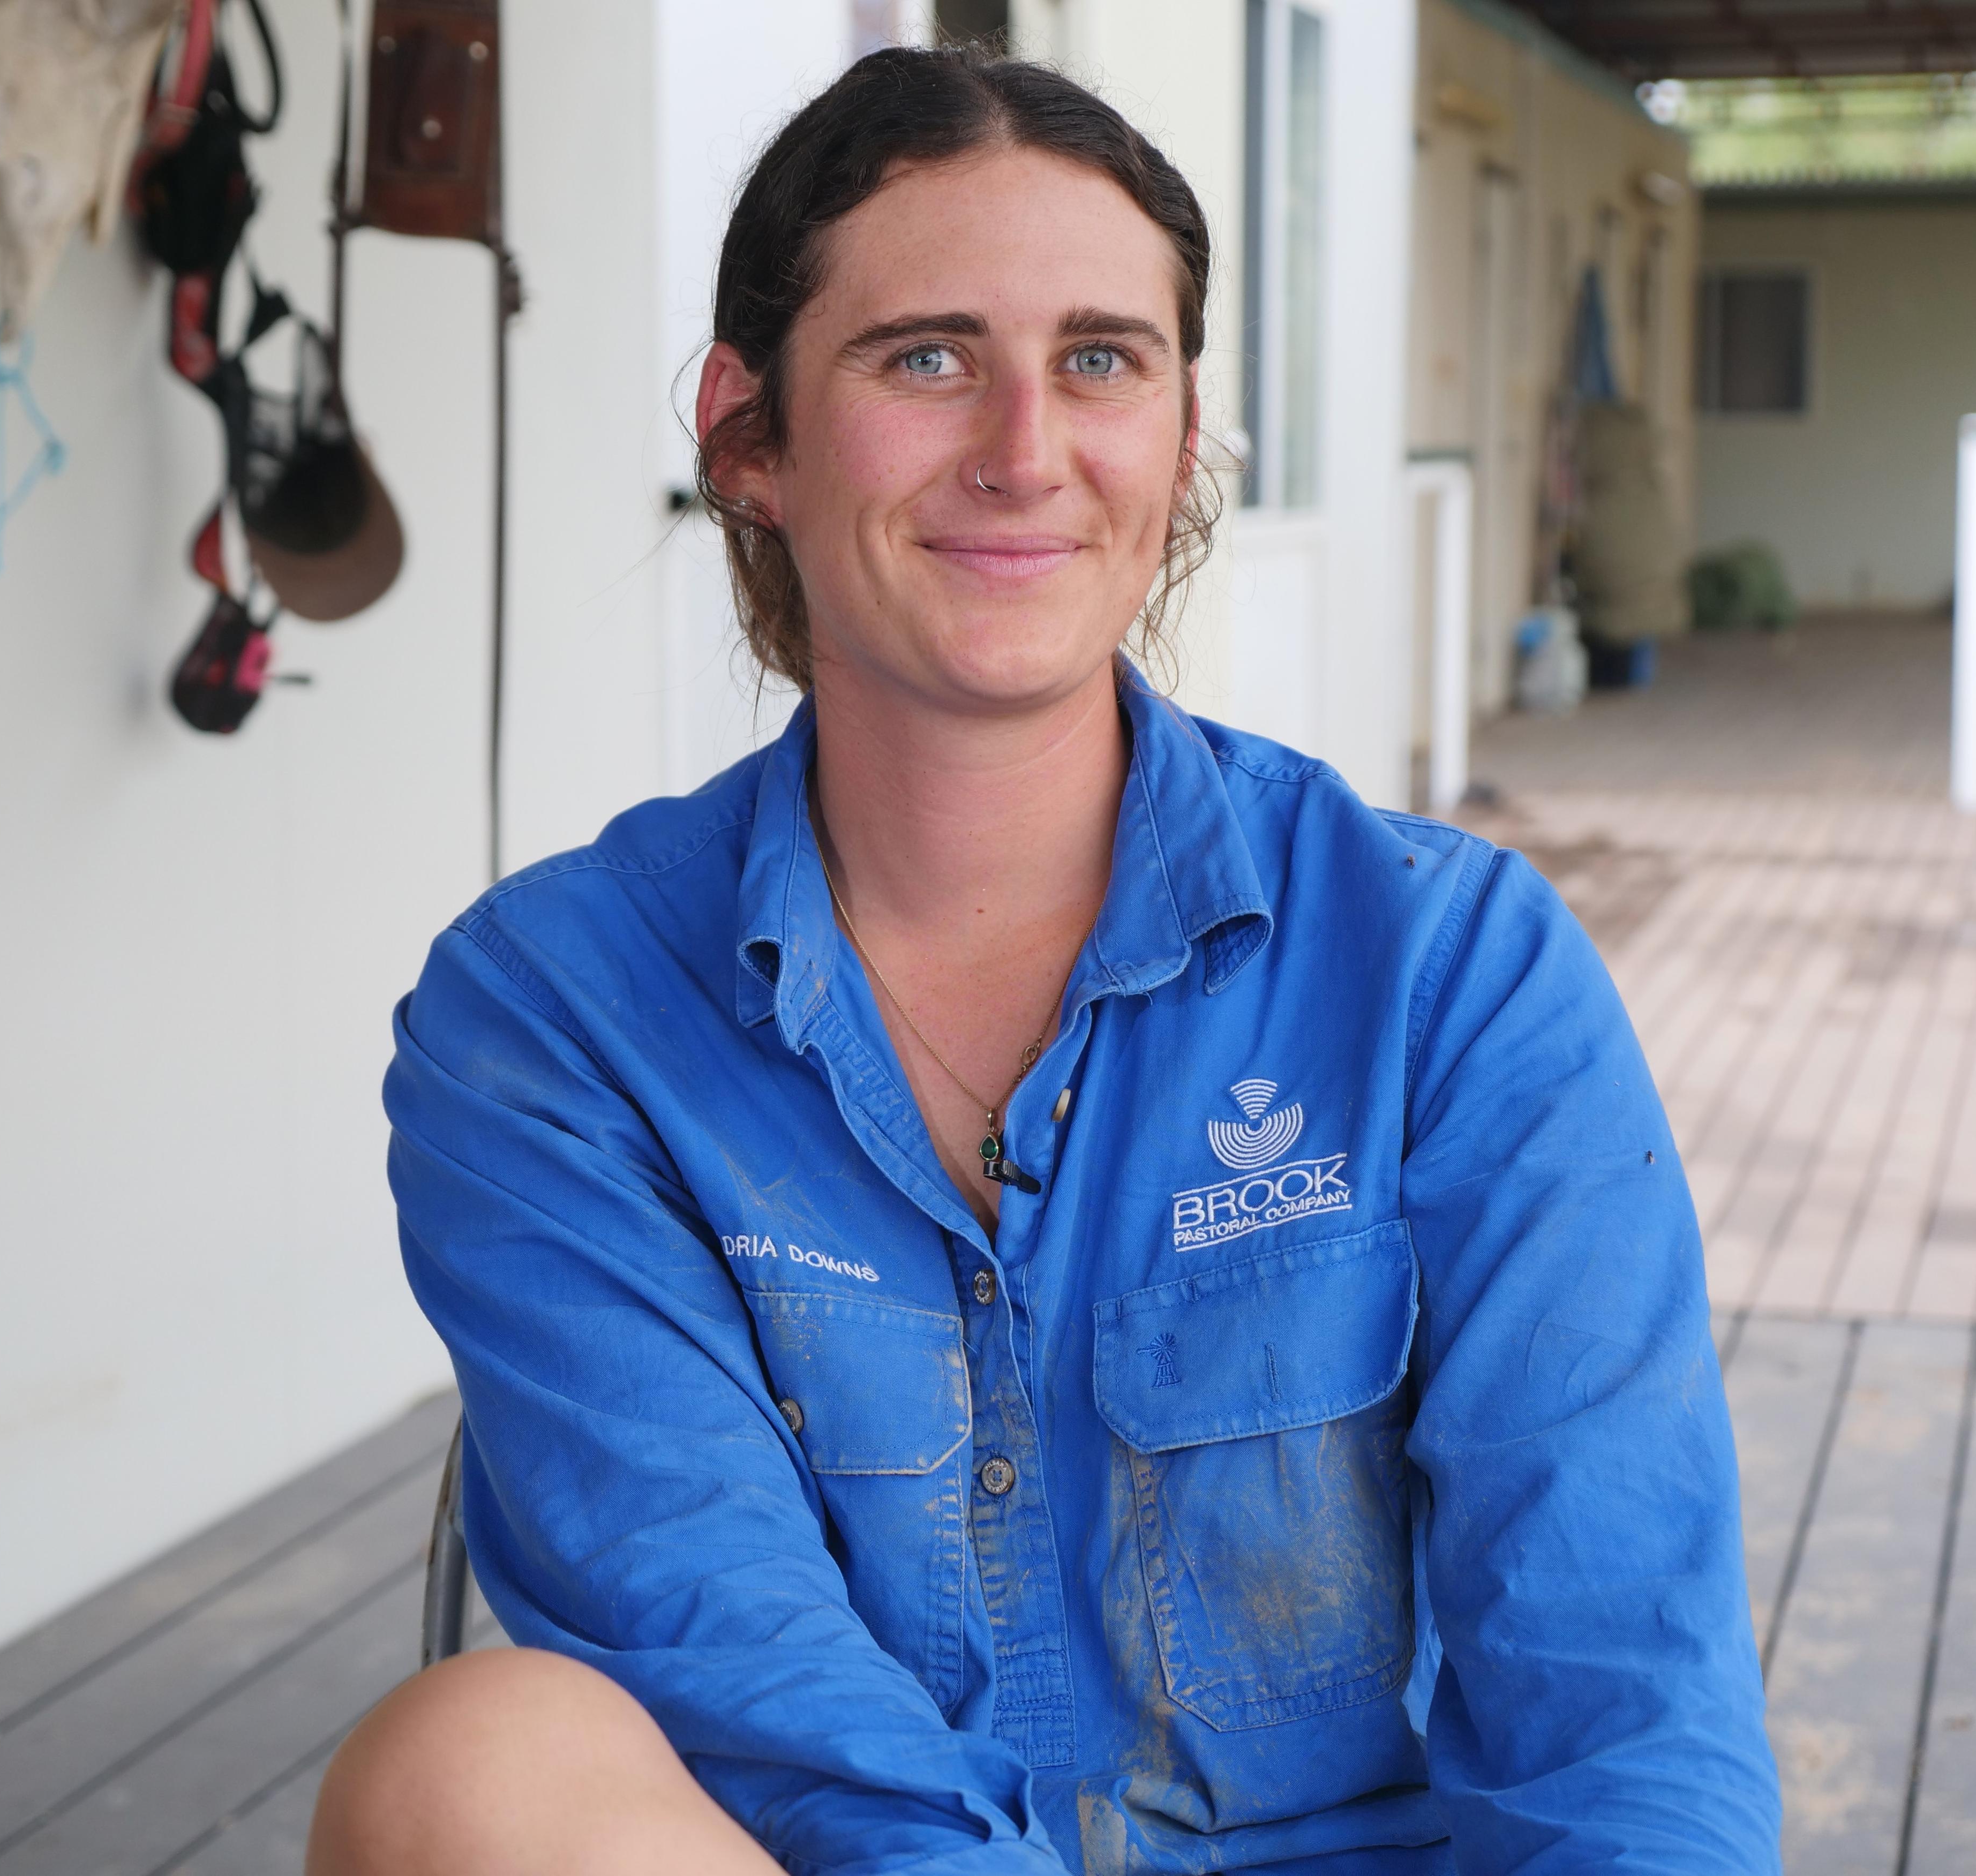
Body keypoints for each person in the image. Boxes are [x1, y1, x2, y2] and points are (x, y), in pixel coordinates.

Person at [315, 45, 1781, 1876]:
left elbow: (1619, 1705)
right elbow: (740, 1680)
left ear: (1175, 441)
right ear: (747, 437)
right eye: (926, 356)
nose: (1025, 452)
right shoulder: (552, 1022)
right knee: (475, 1763)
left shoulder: (1450, 968)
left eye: (1102, 359)